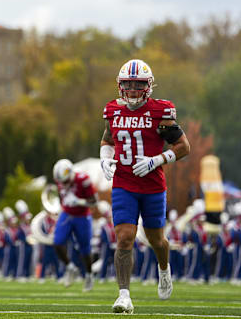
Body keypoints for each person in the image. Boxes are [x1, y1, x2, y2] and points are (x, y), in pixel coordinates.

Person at [99, 59, 191, 314]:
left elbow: (184, 147)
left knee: (157, 241)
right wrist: (105, 158)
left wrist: (157, 160)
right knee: (125, 237)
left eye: (137, 84)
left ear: (148, 86)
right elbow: (107, 138)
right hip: (124, 183)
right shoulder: (113, 111)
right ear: (120, 86)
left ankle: (164, 271)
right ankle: (124, 296)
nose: (131, 89)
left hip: (152, 186)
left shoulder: (160, 112)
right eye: (127, 84)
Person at [51, 159, 98, 291]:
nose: (64, 184)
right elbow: (61, 198)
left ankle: (89, 275)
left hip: (83, 216)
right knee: (57, 242)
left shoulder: (83, 179)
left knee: (85, 249)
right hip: (67, 214)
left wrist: (79, 201)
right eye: (62, 182)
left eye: (65, 181)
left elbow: (94, 202)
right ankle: (70, 268)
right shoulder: (60, 181)